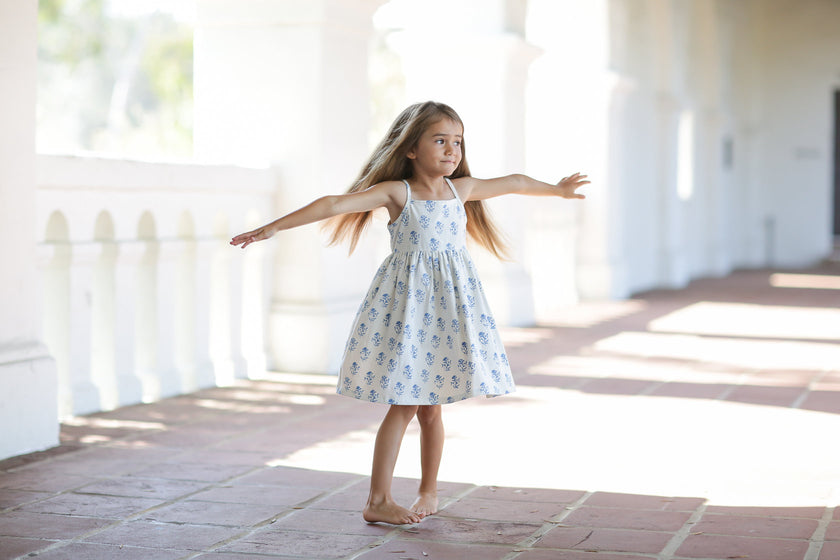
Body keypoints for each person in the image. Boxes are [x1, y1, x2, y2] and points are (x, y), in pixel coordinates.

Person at [231, 101, 588, 525]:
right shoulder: (398, 192)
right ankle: (378, 499)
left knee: (432, 408)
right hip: (410, 313)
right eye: (440, 141)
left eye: (457, 142)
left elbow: (513, 182)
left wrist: (557, 189)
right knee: (404, 402)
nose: (452, 150)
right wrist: (271, 227)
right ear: (412, 149)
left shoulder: (462, 190)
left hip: (450, 311)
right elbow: (332, 204)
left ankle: (428, 491)